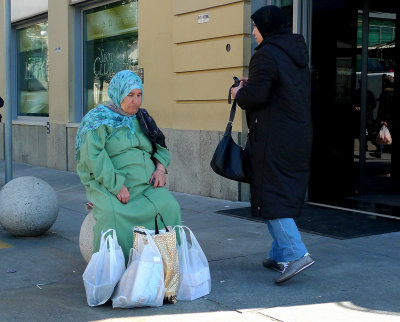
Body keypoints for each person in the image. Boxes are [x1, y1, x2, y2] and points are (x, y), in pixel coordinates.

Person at [231, 5, 314, 284]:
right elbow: (278, 88)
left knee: (271, 193)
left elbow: (256, 97)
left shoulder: (266, 54)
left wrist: (239, 92)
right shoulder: (295, 52)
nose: (253, 33)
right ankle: (279, 253)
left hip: (273, 137)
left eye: (255, 27)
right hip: (297, 135)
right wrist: (253, 83)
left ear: (266, 28)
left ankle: (295, 253)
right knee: (283, 190)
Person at [75, 70, 181, 263]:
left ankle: (164, 268)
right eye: (130, 95)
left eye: (139, 95)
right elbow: (93, 156)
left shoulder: (143, 118)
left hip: (147, 184)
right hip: (111, 183)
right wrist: (116, 185)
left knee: (169, 206)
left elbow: (160, 146)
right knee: (112, 215)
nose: (136, 101)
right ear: (117, 93)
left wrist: (160, 168)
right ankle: (120, 269)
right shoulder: (97, 119)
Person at [370, 74, 394, 158]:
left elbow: (384, 107)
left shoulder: (385, 93)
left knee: (382, 134)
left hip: (387, 118)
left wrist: (384, 120)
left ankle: (379, 152)